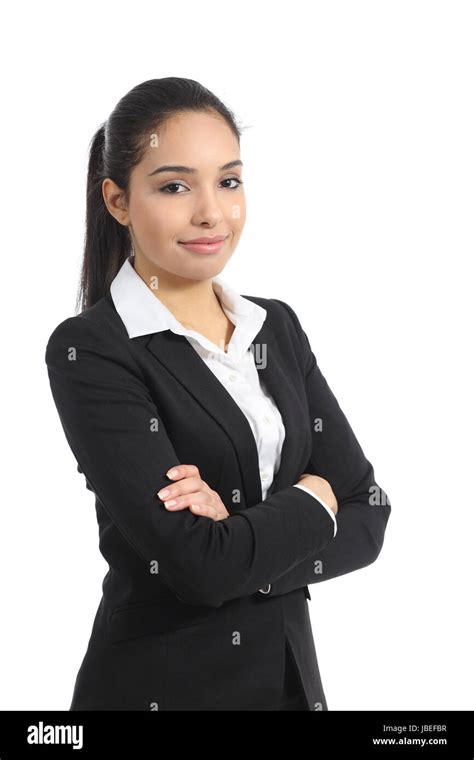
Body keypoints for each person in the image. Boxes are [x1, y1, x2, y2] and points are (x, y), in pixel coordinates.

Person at [45, 77, 391, 711]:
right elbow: (196, 568)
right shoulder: (91, 351)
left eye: (229, 181)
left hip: (289, 686)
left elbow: (368, 514)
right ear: (118, 201)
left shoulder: (275, 327)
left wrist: (236, 541)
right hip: (161, 689)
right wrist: (312, 500)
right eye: (175, 186)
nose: (212, 212)